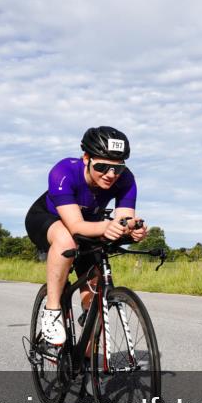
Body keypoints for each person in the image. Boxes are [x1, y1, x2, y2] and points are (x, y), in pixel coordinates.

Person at [25, 127, 148, 345]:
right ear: (86, 158)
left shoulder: (126, 179)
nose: (111, 175)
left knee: (95, 302)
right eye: (102, 166)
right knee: (66, 240)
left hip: (90, 223)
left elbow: (124, 219)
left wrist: (132, 229)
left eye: (118, 168)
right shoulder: (64, 171)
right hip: (47, 218)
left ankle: (86, 359)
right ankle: (52, 311)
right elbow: (75, 226)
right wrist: (107, 226)